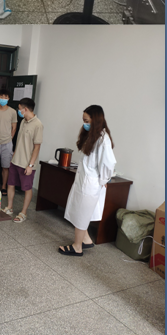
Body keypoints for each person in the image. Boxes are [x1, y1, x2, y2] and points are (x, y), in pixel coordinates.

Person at [60, 106, 116, 256]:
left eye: (86, 121)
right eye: (83, 121)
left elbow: (109, 163)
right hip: (84, 181)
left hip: (91, 184)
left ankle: (77, 247)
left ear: (95, 120)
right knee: (80, 212)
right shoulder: (94, 136)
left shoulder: (103, 139)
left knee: (82, 215)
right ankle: (86, 240)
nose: (84, 124)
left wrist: (104, 179)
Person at [3, 98, 43, 223]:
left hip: (27, 164)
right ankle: (9, 207)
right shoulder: (23, 122)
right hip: (16, 161)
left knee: (27, 188)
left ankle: (23, 212)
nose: (18, 111)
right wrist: (13, 156)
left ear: (25, 109)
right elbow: (19, 142)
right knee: (10, 184)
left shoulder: (38, 125)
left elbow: (37, 147)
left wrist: (30, 165)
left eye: (19, 109)